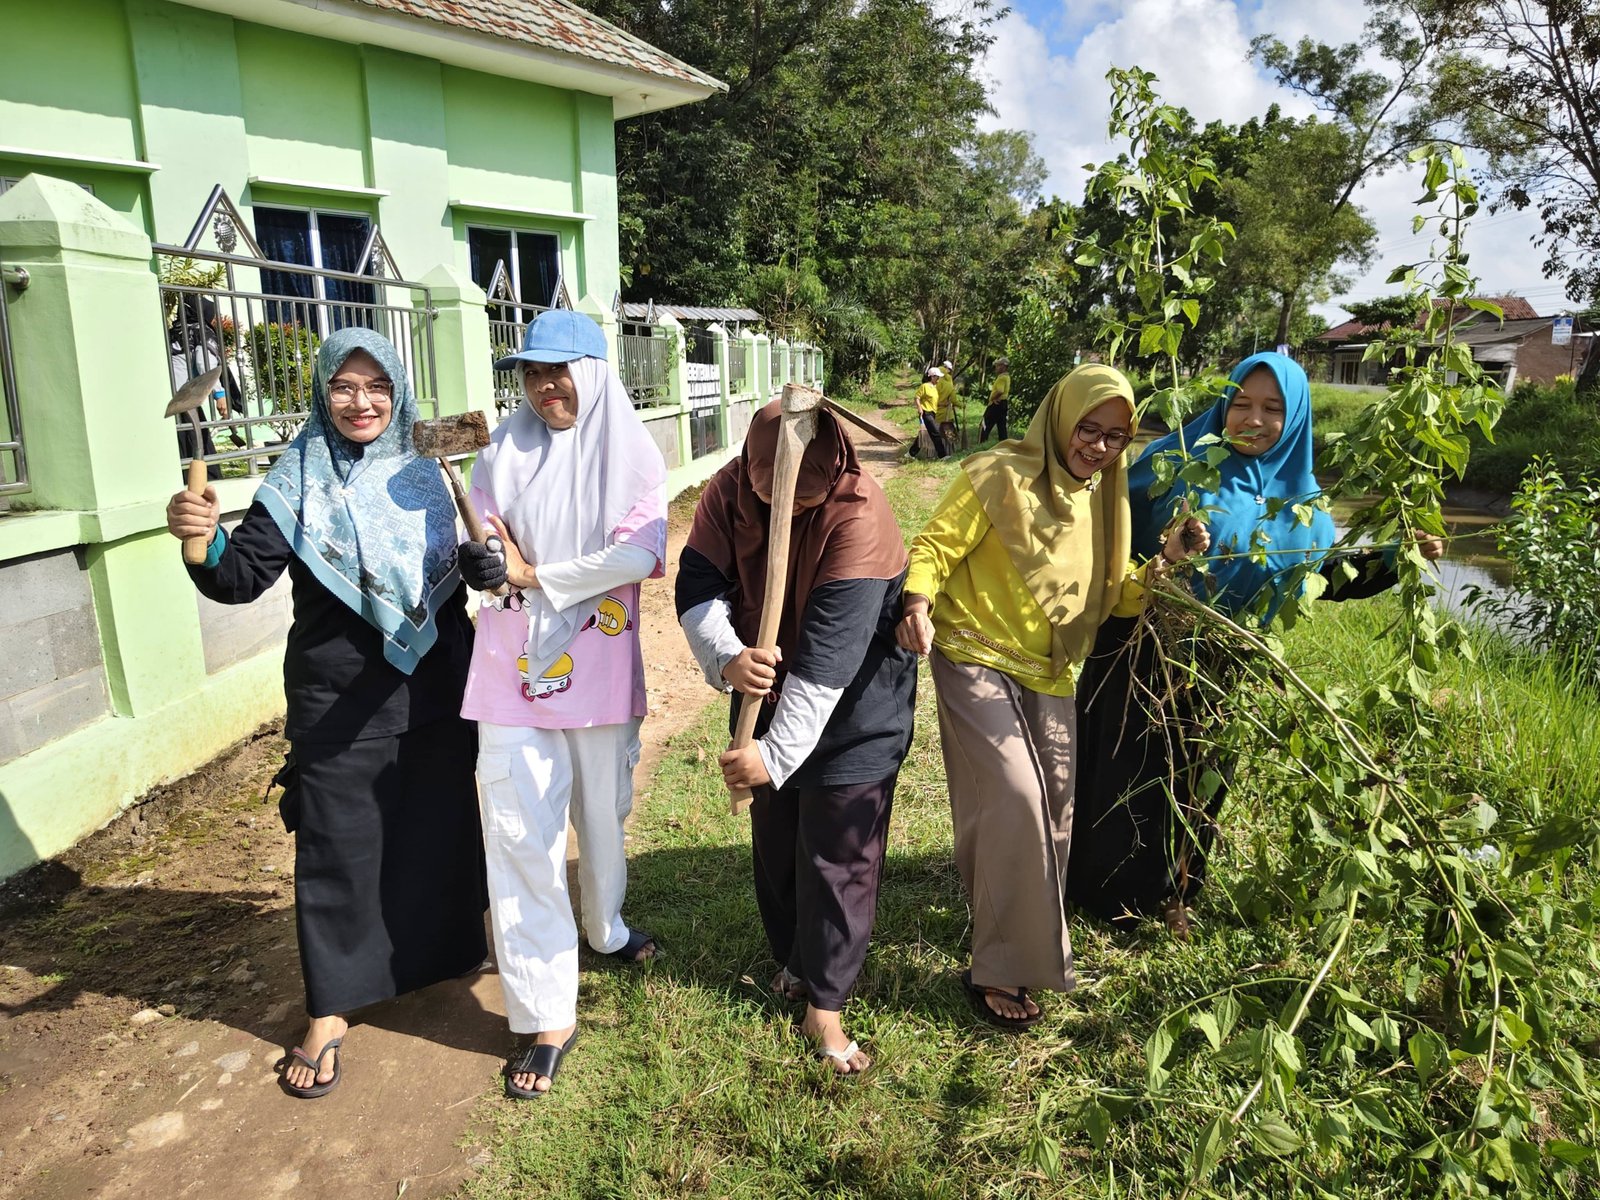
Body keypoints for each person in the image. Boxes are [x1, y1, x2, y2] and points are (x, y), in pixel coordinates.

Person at [164, 327, 487, 1100]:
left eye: (376, 385)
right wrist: (202, 544)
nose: (361, 401)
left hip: (437, 689)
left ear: (399, 391)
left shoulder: (425, 471)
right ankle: (332, 1008)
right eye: (344, 385)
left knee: (437, 830)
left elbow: (469, 573)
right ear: (320, 391)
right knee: (337, 852)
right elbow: (240, 579)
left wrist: (485, 565)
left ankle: (438, 956)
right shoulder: (296, 475)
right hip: (338, 698)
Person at [1066, 352, 1445, 939]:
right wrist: (1166, 555)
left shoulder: (1306, 508)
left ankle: (1176, 891)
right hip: (1137, 639)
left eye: (1272, 409)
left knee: (1200, 776)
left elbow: (1319, 578)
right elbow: (1097, 535)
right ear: (1223, 405)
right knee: (1119, 765)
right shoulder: (1178, 464)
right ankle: (1096, 889)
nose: (1253, 419)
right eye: (1240, 403)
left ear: (1294, 419)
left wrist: (1397, 558)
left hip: (1223, 657)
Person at [896, 365, 1204, 1030]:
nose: (1096, 445)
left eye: (1114, 436)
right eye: (1087, 428)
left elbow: (1120, 596)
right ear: (1060, 418)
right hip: (975, 650)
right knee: (1013, 795)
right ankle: (998, 969)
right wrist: (918, 600)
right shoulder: (998, 475)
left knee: (1054, 811)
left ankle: (1014, 931)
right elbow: (936, 546)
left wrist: (1166, 562)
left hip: (1056, 670)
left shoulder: (1107, 501)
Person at [455, 309, 667, 1099]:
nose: (546, 387)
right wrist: (479, 558)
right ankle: (547, 1014)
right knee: (518, 832)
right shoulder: (499, 452)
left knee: (602, 814)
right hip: (512, 670)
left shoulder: (636, 453)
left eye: (560, 370)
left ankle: (604, 927)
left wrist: (536, 575)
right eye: (532, 373)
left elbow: (641, 553)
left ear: (596, 372)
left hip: (600, 668)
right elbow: (480, 534)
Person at [677, 402, 916, 1074]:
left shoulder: (860, 510)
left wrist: (772, 757)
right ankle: (793, 957)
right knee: (777, 839)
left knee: (839, 853)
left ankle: (827, 1004)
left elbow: (828, 659)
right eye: (769, 487)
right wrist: (727, 655)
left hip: (854, 706)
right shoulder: (728, 489)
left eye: (805, 495)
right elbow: (698, 584)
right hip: (763, 686)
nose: (784, 503)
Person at [913, 367, 949, 459]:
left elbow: (935, 401)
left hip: (933, 413)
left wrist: (944, 404)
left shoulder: (936, 388)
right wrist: (919, 408)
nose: (939, 379)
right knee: (936, 433)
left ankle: (910, 453)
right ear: (932, 377)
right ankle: (942, 456)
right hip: (926, 413)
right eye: (937, 377)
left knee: (926, 434)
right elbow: (917, 398)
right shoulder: (925, 386)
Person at [980, 357, 1011, 443]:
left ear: (1003, 367)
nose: (996, 367)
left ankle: (981, 443)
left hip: (996, 403)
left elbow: (1000, 390)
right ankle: (1004, 443)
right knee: (1002, 426)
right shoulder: (1007, 377)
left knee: (985, 424)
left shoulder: (1001, 378)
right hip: (1004, 403)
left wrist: (993, 398)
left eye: (998, 365)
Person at [937, 359, 959, 450]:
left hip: (934, 411)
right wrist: (960, 404)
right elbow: (952, 397)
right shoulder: (948, 381)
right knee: (948, 430)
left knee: (936, 431)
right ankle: (951, 449)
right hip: (946, 411)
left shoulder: (934, 379)